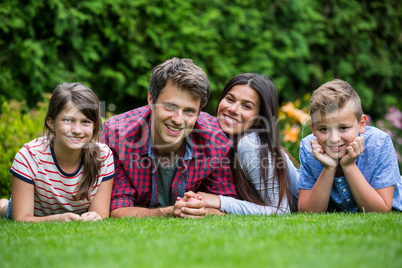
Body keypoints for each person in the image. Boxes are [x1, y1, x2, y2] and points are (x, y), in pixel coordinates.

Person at [100, 57, 237, 218]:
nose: (178, 120)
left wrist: (201, 210)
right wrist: (168, 212)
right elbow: (116, 210)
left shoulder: (215, 139)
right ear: (151, 99)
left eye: (189, 111)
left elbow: (227, 204)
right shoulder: (117, 135)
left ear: (199, 112)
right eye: (170, 107)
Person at [185, 73, 299, 215]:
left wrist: (219, 201)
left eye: (246, 106)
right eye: (230, 99)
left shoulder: (251, 144)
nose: (233, 109)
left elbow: (280, 210)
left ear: (259, 119)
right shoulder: (217, 136)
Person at [0, 83, 115, 222]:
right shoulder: (29, 156)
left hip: (72, 215)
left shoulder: (103, 156)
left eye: (85, 122)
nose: (77, 130)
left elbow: (100, 213)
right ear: (51, 123)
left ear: (95, 126)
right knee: (6, 210)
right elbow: (21, 219)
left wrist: (95, 216)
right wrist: (58, 218)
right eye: (68, 120)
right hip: (34, 211)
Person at [298, 79, 402, 213]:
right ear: (312, 127)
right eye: (324, 129)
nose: (334, 139)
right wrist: (329, 167)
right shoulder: (309, 147)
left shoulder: (379, 143)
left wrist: (349, 165)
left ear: (362, 124)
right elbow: (308, 212)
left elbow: (380, 211)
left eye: (343, 128)